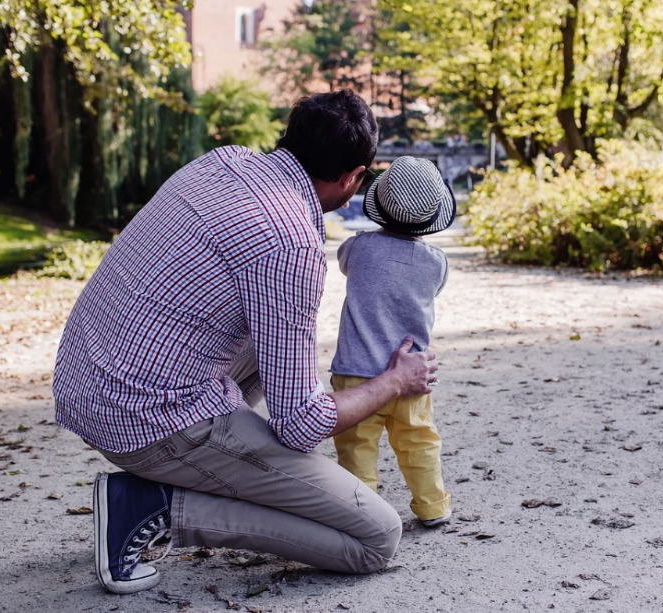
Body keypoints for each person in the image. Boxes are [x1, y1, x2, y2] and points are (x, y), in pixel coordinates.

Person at [52, 90, 439, 595]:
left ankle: (226, 462)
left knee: (275, 338)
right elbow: (303, 425)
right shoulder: (292, 243)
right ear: (352, 178)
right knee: (375, 537)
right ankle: (154, 508)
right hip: (147, 418)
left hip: (86, 381)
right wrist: (393, 382)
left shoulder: (223, 161)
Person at [330, 156, 455, 528]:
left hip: (356, 376)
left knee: (356, 449)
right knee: (420, 442)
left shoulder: (357, 249)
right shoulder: (436, 263)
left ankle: (362, 514)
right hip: (412, 375)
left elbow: (342, 263)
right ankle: (433, 506)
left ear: (379, 206)